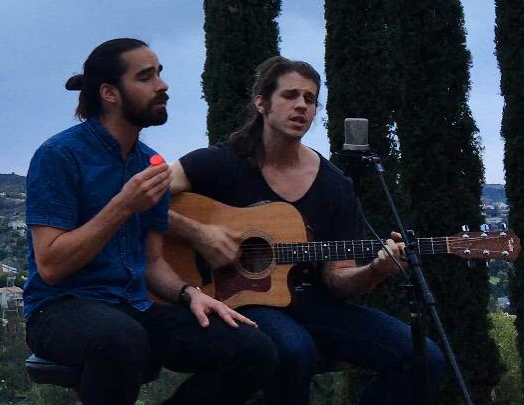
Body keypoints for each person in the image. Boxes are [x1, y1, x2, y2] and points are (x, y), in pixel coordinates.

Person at [169, 55, 446, 405]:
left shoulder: (334, 185)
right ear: (261, 103)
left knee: (422, 358)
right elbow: (139, 194)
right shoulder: (222, 162)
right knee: (294, 350)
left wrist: (377, 270)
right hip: (236, 299)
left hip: (312, 304)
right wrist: (198, 233)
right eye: (290, 95)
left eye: (310, 99)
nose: (301, 105)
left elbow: (338, 280)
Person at [23, 38, 280, 405]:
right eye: (146, 77)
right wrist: (122, 206)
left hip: (133, 307)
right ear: (110, 93)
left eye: (159, 73)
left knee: (254, 350)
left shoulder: (150, 164)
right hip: (59, 308)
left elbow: (153, 263)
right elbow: (50, 266)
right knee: (120, 339)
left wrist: (190, 294)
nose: (163, 85)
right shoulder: (58, 156)